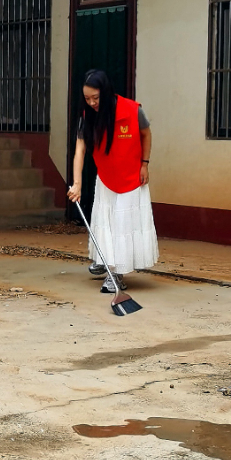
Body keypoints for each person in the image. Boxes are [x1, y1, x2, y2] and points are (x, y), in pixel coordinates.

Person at [68, 69, 159, 293]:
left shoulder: (133, 110)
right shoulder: (87, 116)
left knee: (122, 226)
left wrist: (145, 164)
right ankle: (105, 260)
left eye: (96, 98)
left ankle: (116, 275)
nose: (91, 103)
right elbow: (80, 150)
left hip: (131, 179)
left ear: (106, 93)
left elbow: (146, 134)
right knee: (106, 223)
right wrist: (77, 183)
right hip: (106, 179)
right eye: (87, 98)